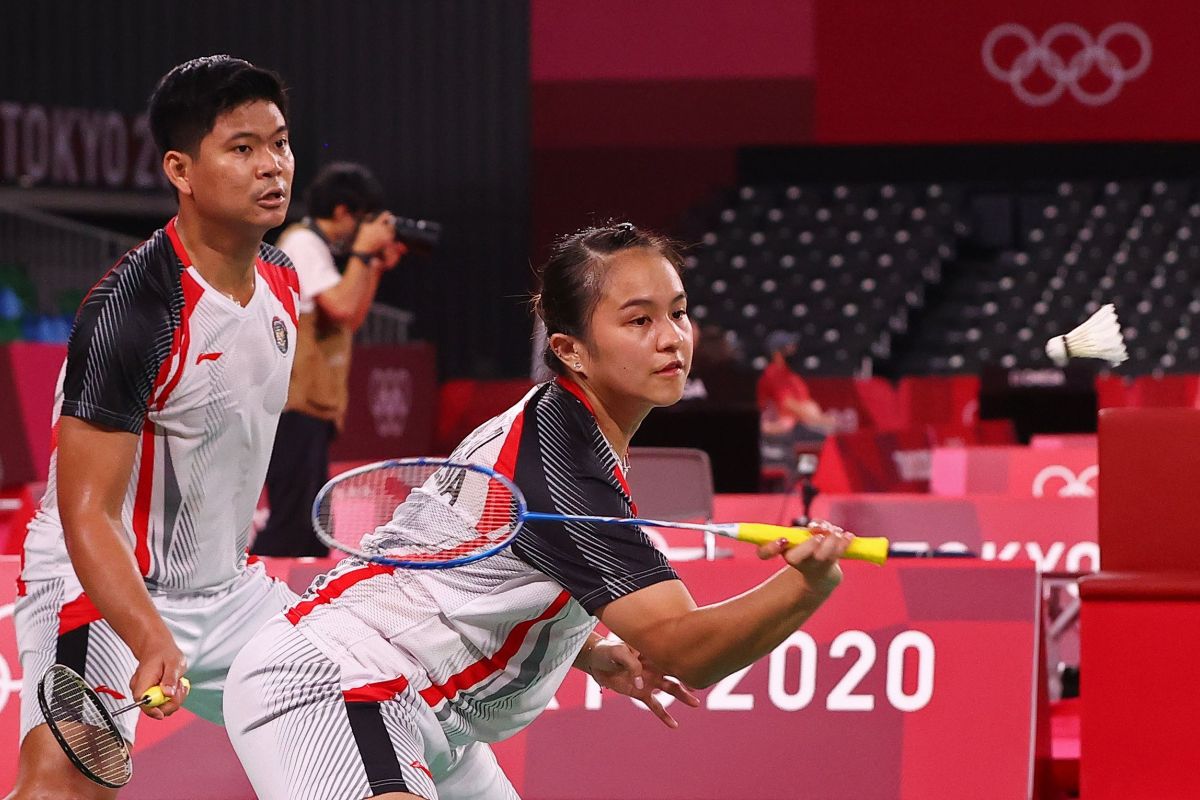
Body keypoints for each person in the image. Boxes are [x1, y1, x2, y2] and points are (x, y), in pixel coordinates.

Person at [223, 222, 856, 800]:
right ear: (571, 349)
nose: (672, 338)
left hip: (431, 713)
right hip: (340, 685)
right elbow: (686, 649)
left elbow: (466, 568)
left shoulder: (559, 426)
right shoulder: (562, 466)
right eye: (639, 322)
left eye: (680, 313)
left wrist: (583, 651)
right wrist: (809, 582)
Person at [5, 55, 304, 799]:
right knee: (69, 782)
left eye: (281, 142)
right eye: (242, 148)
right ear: (181, 168)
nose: (272, 167)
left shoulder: (281, 280)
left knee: (377, 698)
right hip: (102, 583)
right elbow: (87, 512)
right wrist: (146, 635)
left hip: (229, 591)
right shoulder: (134, 311)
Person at [251, 162, 404, 557]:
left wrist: (372, 265)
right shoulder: (302, 242)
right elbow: (338, 305)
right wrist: (362, 253)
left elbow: (351, 317)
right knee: (292, 523)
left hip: (311, 407)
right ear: (342, 212)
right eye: (364, 219)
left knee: (311, 527)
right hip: (292, 407)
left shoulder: (316, 249)